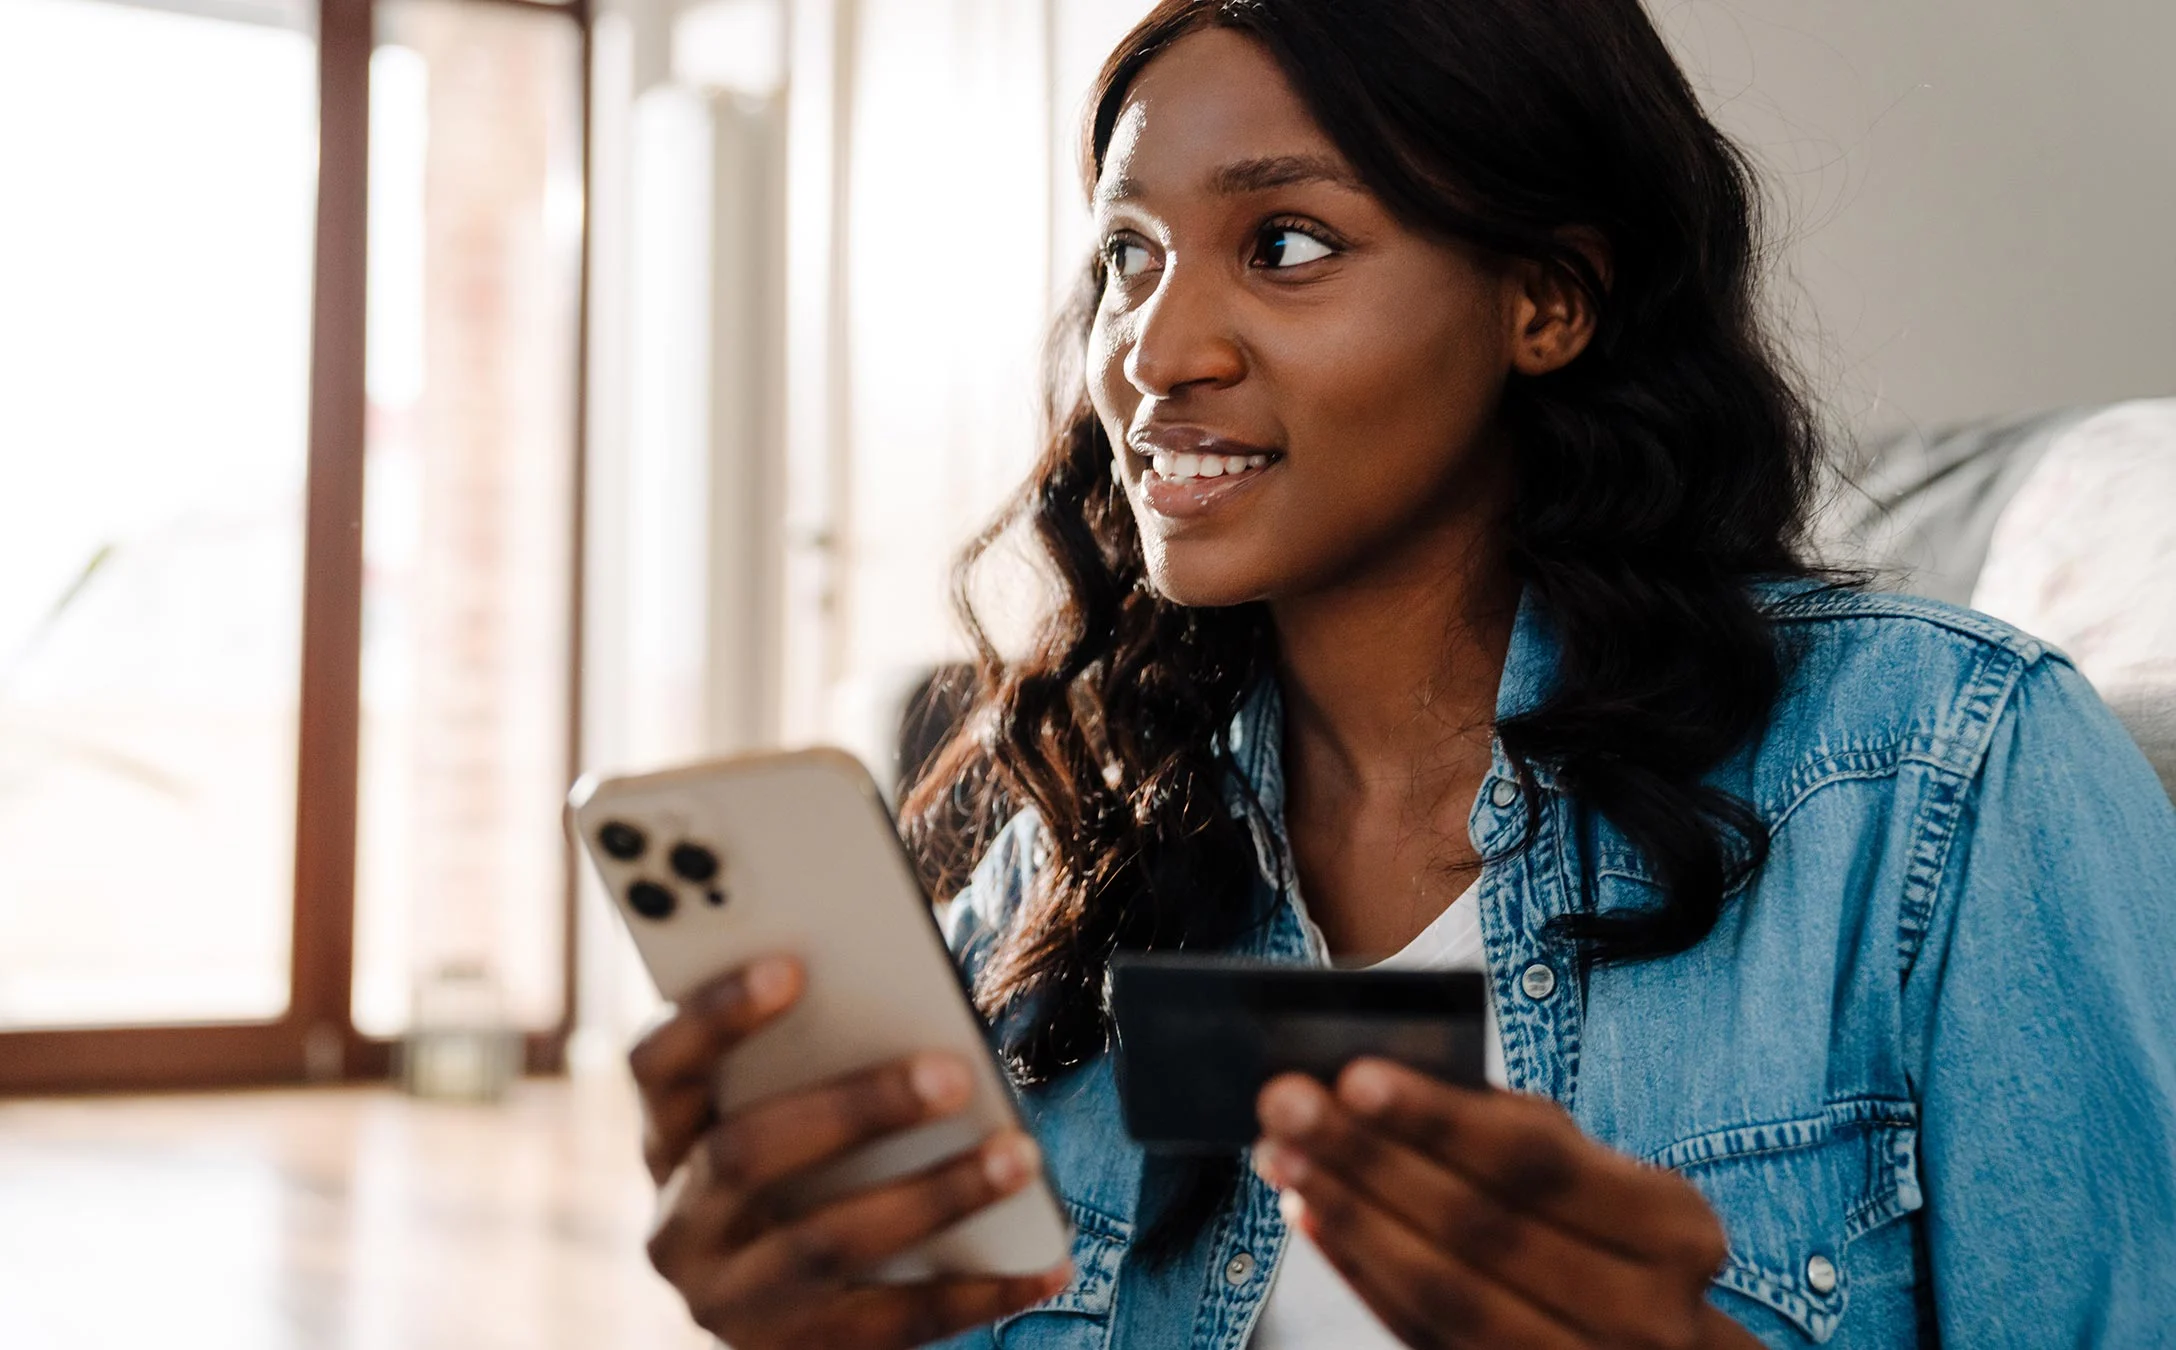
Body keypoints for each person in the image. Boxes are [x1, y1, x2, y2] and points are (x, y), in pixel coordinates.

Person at [622, 1, 2176, 1345]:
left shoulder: (1953, 782)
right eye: (1127, 255)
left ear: (1547, 300)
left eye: (1284, 243)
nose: (1154, 351)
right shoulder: (1071, 870)